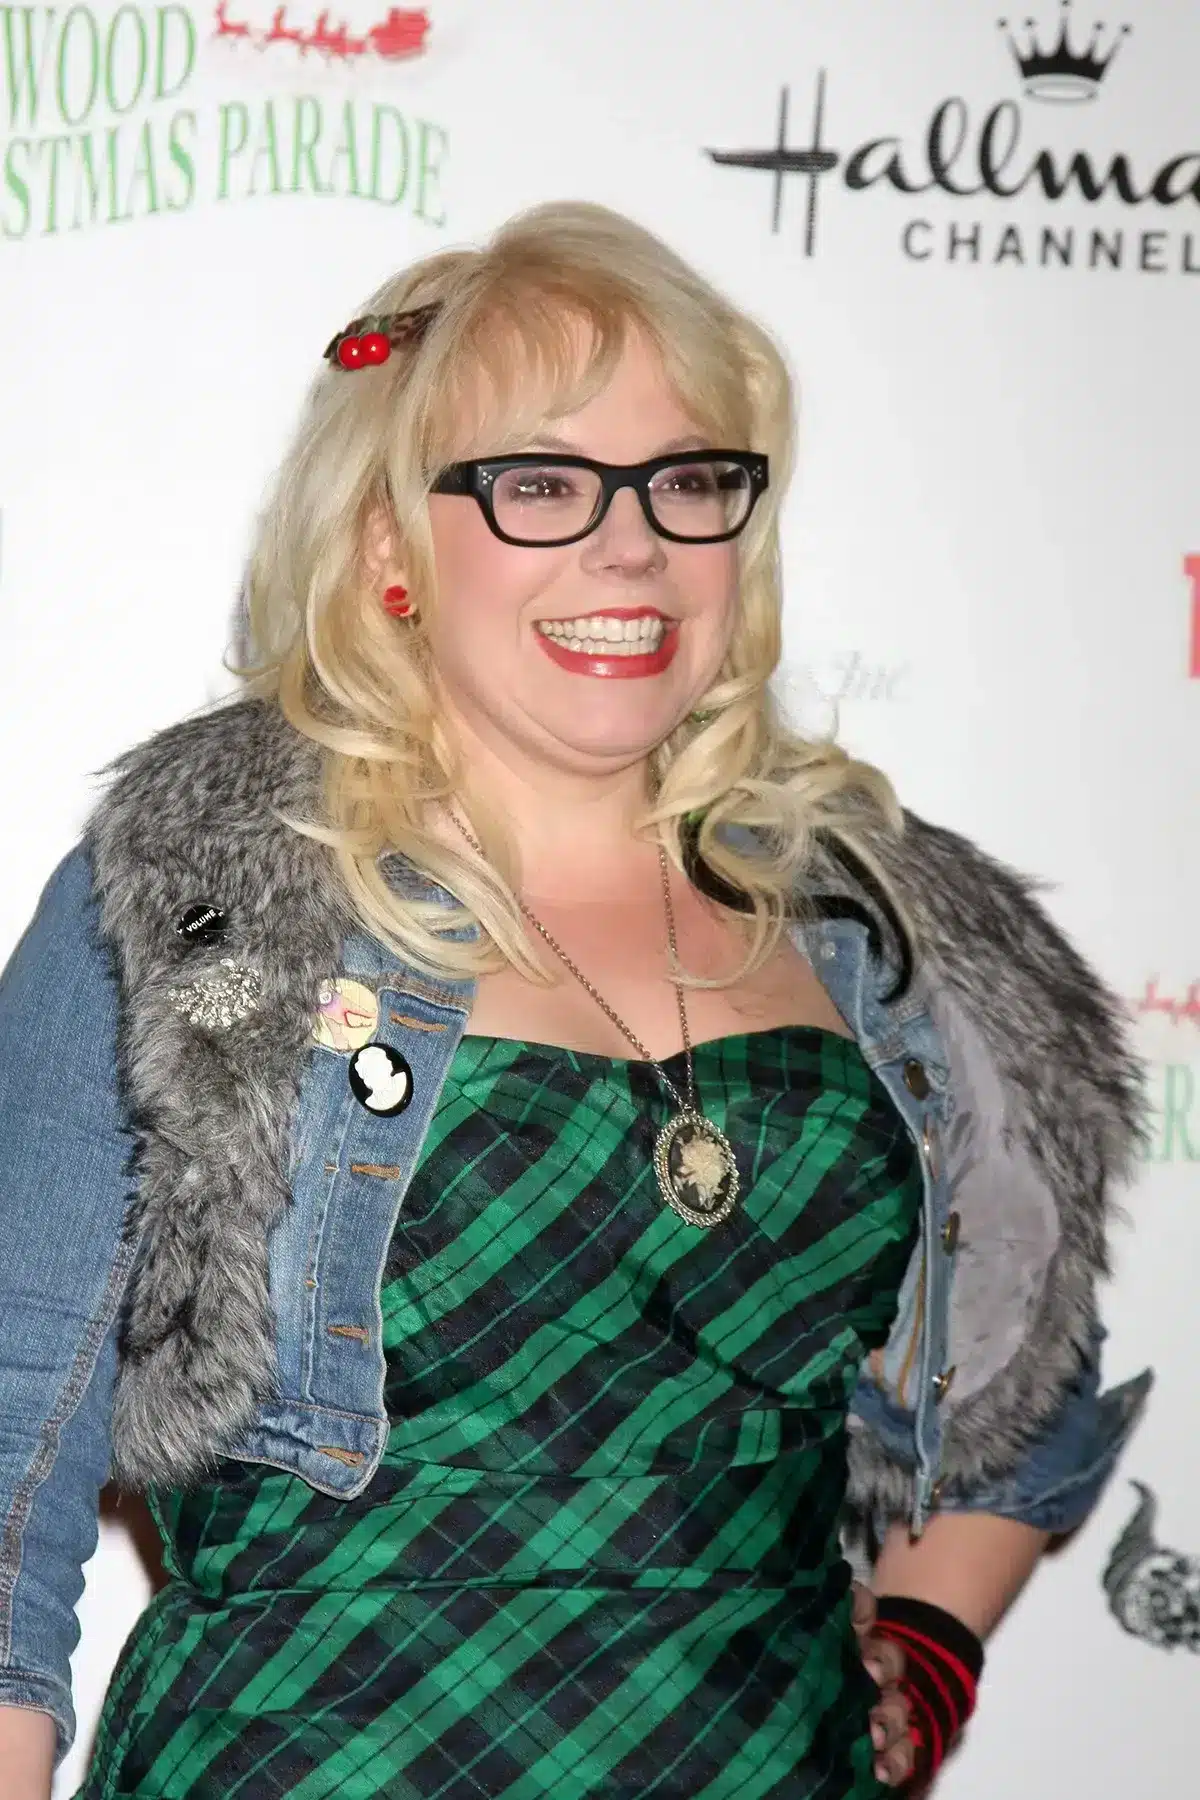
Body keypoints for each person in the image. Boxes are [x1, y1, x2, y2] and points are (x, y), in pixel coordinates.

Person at [0, 201, 1150, 1800]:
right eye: (541, 483)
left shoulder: (898, 932)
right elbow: (12, 1454)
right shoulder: (197, 897)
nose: (633, 546)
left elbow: (1028, 1359)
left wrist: (929, 1652)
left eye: (687, 482)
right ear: (391, 546)